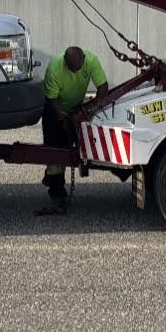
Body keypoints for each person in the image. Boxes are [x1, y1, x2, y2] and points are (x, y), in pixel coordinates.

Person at [37, 46, 108, 215]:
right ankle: (56, 192)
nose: (75, 71)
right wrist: (62, 118)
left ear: (83, 59)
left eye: (77, 68)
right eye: (71, 68)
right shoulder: (55, 68)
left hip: (76, 106)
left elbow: (103, 87)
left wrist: (93, 107)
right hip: (55, 109)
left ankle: (50, 177)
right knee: (56, 151)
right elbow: (52, 99)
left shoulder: (90, 60)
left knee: (73, 148)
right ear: (65, 62)